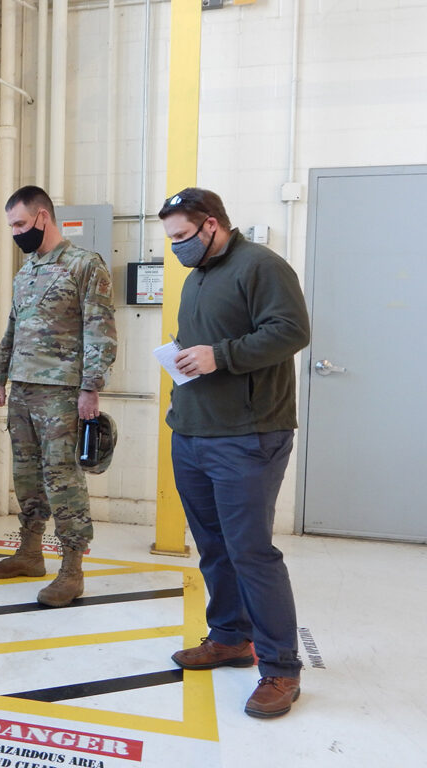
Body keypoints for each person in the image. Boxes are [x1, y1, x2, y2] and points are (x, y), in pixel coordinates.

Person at [158, 187, 311, 718]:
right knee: (214, 546)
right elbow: (204, 341)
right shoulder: (199, 274)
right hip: (194, 432)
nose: (176, 248)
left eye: (181, 237)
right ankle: (229, 637)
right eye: (171, 239)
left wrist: (219, 356)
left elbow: (291, 331)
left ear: (212, 225)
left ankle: (282, 669)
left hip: (248, 435)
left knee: (251, 552)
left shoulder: (261, 266)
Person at [0, 185, 117, 607]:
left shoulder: (84, 265)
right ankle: (29, 553)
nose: (16, 233)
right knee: (26, 476)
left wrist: (91, 387)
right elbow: (12, 330)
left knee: (62, 479)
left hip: (62, 393)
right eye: (11, 226)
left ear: (43, 217)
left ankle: (72, 570)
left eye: (20, 224)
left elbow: (100, 330)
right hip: (22, 391)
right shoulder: (25, 272)